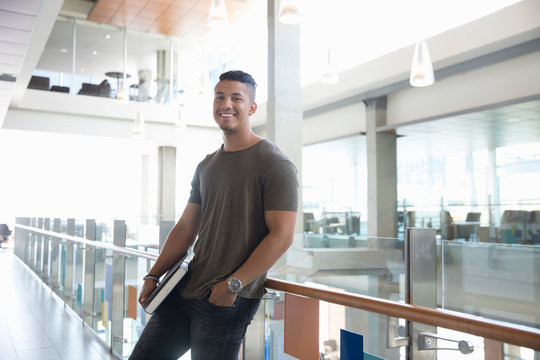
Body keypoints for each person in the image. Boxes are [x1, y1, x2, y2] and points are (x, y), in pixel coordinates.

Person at [129, 70, 299, 360]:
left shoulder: (274, 163)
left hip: (226, 299)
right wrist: (153, 274)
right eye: (220, 97)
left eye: (236, 98)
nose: (226, 104)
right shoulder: (206, 166)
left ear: (252, 107)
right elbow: (185, 228)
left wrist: (232, 285)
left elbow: (282, 236)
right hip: (184, 288)